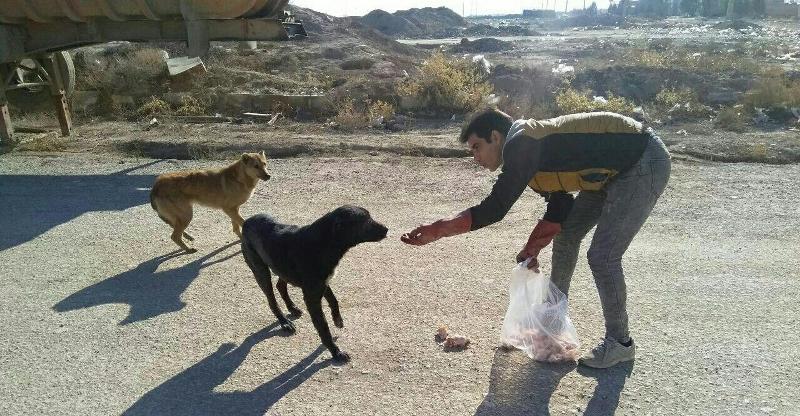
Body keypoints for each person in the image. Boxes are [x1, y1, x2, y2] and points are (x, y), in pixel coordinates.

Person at [401, 109, 671, 368]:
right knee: (567, 236)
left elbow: (494, 209)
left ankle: (620, 343)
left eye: (476, 147)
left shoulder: (521, 143)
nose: (475, 158)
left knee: (602, 256)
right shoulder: (530, 151)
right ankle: (551, 327)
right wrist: (532, 248)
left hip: (641, 162)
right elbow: (560, 206)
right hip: (607, 174)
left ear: (495, 137)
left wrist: (437, 229)